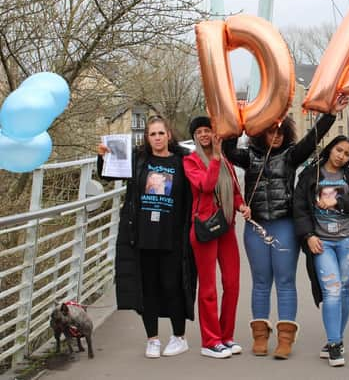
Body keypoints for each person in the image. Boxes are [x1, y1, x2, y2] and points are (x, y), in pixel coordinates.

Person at [222, 96, 348, 359]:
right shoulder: (250, 156)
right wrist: (238, 116)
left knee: (285, 281)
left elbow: (313, 139)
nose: (276, 135)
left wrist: (331, 115)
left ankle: (285, 339)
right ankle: (260, 335)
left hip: (284, 226)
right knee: (260, 281)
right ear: (261, 133)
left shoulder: (291, 156)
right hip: (256, 228)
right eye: (270, 130)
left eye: (280, 130)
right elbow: (228, 151)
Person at [97, 115, 195, 359]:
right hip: (142, 236)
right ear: (147, 138)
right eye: (153, 134)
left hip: (172, 236)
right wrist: (103, 157)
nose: (157, 138)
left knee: (173, 286)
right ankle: (152, 339)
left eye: (161, 133)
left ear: (168, 135)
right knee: (147, 288)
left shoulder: (183, 160)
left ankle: (179, 336)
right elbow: (109, 175)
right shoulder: (139, 160)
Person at [293, 135, 349, 367]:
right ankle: (335, 343)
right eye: (339, 150)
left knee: (344, 289)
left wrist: (338, 203)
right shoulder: (310, 175)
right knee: (333, 290)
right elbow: (299, 209)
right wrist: (308, 235)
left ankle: (334, 341)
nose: (342, 156)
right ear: (330, 148)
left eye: (347, 154)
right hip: (322, 242)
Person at [183, 116, 251, 359]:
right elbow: (205, 185)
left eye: (207, 130)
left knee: (232, 283)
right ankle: (210, 341)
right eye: (199, 131)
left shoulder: (227, 162)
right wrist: (213, 159)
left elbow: (234, 191)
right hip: (204, 228)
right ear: (194, 137)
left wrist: (242, 206)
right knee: (209, 287)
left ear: (215, 134)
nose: (203, 135)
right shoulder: (191, 161)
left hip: (227, 227)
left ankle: (226, 336)